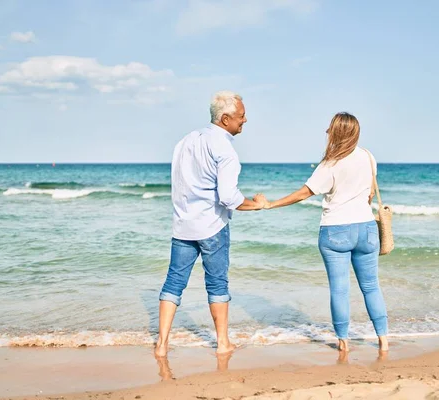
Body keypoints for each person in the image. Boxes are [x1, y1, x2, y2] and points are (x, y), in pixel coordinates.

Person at [256, 112, 389, 353]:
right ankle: (383, 341)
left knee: (340, 289)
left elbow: (303, 193)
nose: (327, 132)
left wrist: (270, 204)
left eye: (330, 128)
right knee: (371, 286)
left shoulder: (330, 164)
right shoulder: (369, 157)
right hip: (367, 229)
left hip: (336, 230)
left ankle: (343, 342)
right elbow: (369, 193)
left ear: (337, 132)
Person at [155, 91, 266, 358]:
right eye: (241, 116)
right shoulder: (225, 149)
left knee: (173, 282)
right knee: (217, 284)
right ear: (225, 119)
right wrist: (257, 204)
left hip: (183, 224)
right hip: (212, 227)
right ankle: (223, 343)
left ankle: (161, 345)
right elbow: (229, 198)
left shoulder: (185, 141)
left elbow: (179, 185)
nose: (245, 120)